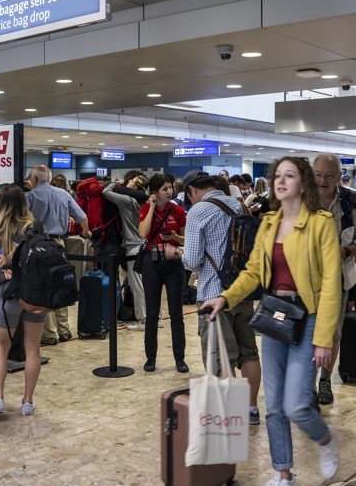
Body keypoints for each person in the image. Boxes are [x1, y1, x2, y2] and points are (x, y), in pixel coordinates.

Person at [201, 157, 342, 486]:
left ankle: (324, 439)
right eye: (277, 175)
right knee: (274, 405)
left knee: (296, 403)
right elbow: (251, 273)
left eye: (289, 176)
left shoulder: (321, 223)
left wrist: (324, 337)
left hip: (307, 315)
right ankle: (283, 476)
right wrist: (225, 297)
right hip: (274, 314)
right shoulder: (268, 223)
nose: (280, 181)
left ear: (303, 183)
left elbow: (331, 284)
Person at [181, 170, 261, 425]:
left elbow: (192, 260)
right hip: (242, 289)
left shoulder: (198, 211)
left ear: (192, 190)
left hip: (213, 293)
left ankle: (230, 415)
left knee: (219, 355)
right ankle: (250, 409)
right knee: (249, 352)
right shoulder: (238, 205)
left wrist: (179, 252)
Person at [0, 184, 47, 416]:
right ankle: (27, 402)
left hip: (8, 296)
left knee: (1, 348)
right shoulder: (35, 227)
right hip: (35, 295)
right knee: (32, 349)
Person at [312, 154, 356, 405]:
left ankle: (325, 379)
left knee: (332, 333)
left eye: (329, 176)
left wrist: (345, 252)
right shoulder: (300, 199)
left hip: (338, 278)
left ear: (339, 177)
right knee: (306, 332)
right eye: (317, 175)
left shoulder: (350, 201)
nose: (322, 180)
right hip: (303, 280)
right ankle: (306, 383)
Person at [25, 165, 90, 344]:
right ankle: (64, 330)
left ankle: (50, 334)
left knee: (44, 288)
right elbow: (82, 217)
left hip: (39, 245)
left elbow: (21, 221)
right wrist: (86, 232)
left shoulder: (29, 196)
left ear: (35, 179)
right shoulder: (64, 194)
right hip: (60, 244)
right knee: (61, 285)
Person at [136, 175, 188, 373]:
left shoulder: (178, 210)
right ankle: (151, 358)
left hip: (174, 262)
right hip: (152, 262)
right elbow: (142, 233)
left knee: (176, 314)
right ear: (154, 192)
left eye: (170, 188)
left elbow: (185, 240)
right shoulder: (145, 209)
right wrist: (150, 208)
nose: (169, 191)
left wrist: (174, 237)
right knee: (151, 314)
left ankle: (180, 358)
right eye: (165, 189)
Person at [104, 171, 149, 327]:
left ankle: (143, 319)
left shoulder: (127, 201)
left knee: (138, 286)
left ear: (134, 186)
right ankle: (156, 317)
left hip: (133, 246)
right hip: (147, 244)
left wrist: (117, 183)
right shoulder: (149, 201)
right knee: (150, 284)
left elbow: (106, 192)